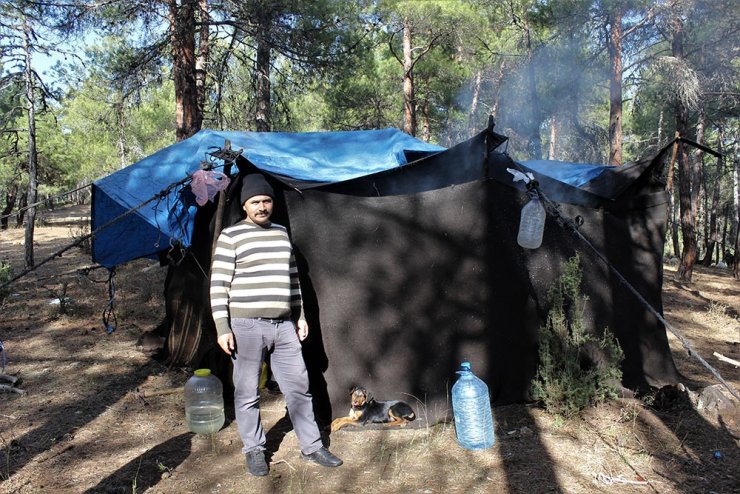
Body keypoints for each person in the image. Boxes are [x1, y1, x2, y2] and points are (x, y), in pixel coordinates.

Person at [210, 173, 342, 476]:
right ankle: (255, 449)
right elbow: (219, 285)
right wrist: (222, 327)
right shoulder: (231, 236)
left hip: (283, 325)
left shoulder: (282, 233)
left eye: (266, 201)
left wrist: (300, 315)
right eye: (255, 202)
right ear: (245, 206)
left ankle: (312, 446)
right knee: (246, 392)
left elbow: (293, 279)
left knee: (299, 387)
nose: (262, 207)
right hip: (245, 325)